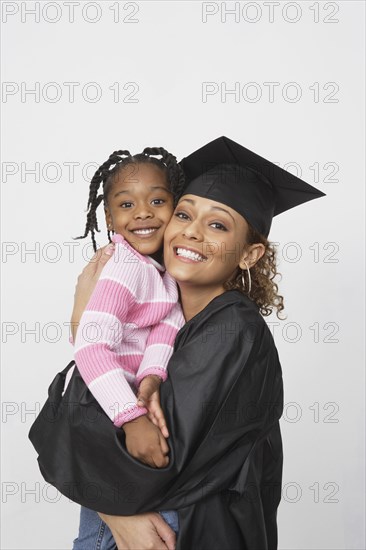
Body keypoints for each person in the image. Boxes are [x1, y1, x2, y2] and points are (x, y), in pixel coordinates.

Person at [29, 136, 325, 550]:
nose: (192, 232)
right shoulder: (164, 311)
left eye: (218, 224)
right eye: (184, 214)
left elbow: (155, 455)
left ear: (250, 255)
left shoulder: (232, 328)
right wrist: (84, 315)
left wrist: (116, 511)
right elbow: (85, 401)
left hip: (189, 534)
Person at [68, 147, 186, 546]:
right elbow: (90, 346)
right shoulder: (125, 267)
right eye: (126, 203)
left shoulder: (162, 273)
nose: (143, 213)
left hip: (127, 407)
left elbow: (166, 324)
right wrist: (132, 418)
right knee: (106, 537)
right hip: (108, 415)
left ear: (175, 206)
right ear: (109, 218)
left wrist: (152, 375)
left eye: (157, 200)